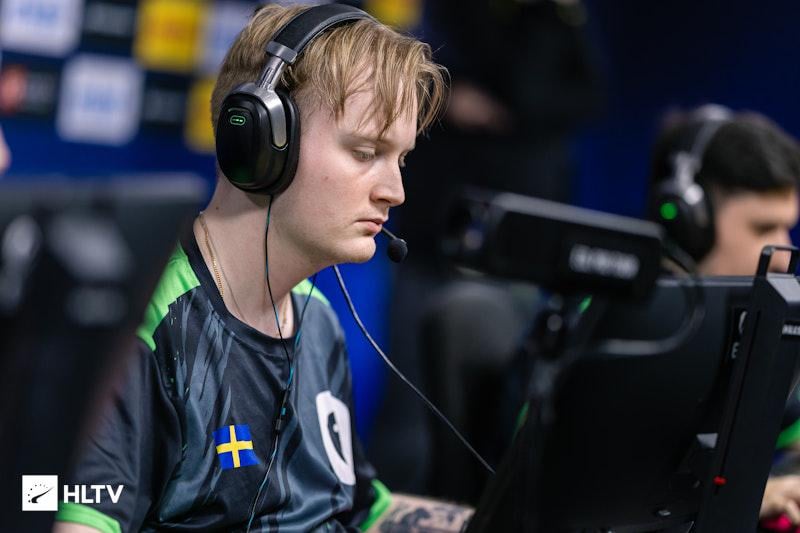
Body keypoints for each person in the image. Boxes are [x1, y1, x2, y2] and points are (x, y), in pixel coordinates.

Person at [53, 4, 472, 532]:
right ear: (260, 142)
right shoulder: (142, 327)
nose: (395, 191)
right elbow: (62, 513)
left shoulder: (316, 319)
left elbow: (362, 510)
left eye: (400, 160)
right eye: (366, 152)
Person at [648, 104, 800, 525]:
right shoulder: (612, 325)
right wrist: (746, 494)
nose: (782, 253)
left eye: (787, 226)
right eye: (763, 229)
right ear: (691, 223)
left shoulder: (761, 326)